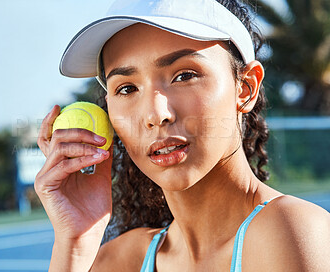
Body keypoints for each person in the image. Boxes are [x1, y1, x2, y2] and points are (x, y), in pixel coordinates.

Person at [35, 0, 330, 271]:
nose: (156, 114)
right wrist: (74, 245)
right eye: (127, 88)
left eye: (185, 75)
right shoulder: (120, 260)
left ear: (246, 87)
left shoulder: (294, 231)